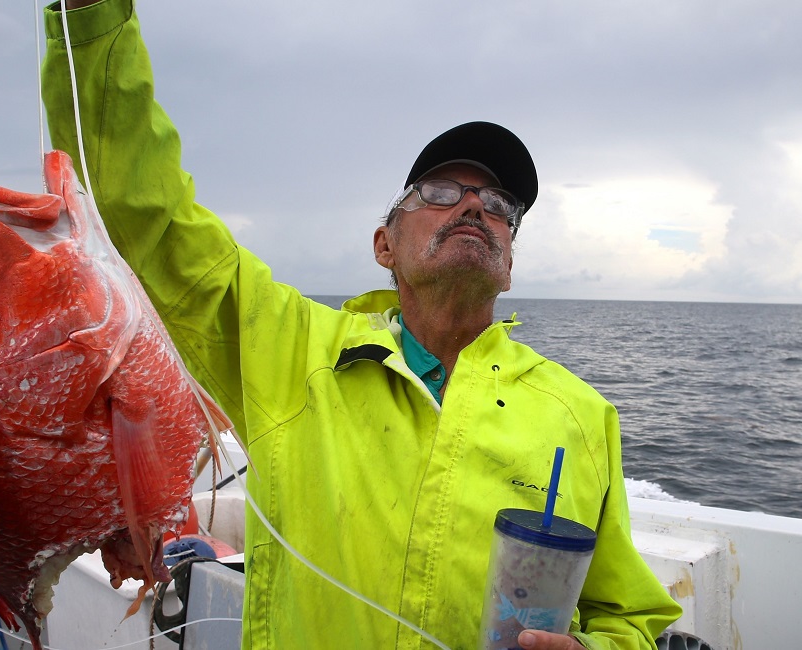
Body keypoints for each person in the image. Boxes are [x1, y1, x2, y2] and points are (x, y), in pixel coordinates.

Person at [42, 1, 682, 648]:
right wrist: (89, 18)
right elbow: (140, 212)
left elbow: (627, 618)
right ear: (384, 244)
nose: (471, 207)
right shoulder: (286, 347)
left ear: (508, 263)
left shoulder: (581, 414)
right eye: (438, 193)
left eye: (497, 206)